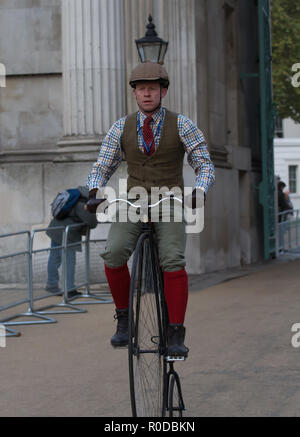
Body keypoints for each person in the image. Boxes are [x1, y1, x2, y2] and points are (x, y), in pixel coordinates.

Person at [85, 61, 215, 358]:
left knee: (172, 258)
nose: (146, 94)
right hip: (132, 200)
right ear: (134, 94)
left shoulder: (182, 124)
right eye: (141, 89)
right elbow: (103, 164)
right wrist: (94, 190)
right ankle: (124, 319)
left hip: (169, 199)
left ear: (163, 92)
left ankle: (175, 331)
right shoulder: (121, 126)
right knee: (114, 253)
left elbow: (204, 163)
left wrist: (200, 190)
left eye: (152, 89)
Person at [45, 185, 98, 298]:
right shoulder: (82, 204)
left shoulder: (73, 196)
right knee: (69, 261)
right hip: (67, 235)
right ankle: (69, 289)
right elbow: (93, 223)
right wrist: (93, 210)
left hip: (55, 230)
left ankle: (51, 285)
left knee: (54, 259)